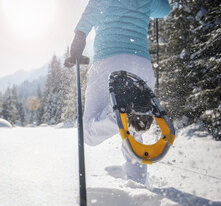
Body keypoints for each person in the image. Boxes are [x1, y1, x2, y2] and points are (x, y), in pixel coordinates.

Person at [67, 0, 170, 184]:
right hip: (142, 66)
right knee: (134, 132)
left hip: (109, 62)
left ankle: (119, 114)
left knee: (88, 135)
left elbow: (92, 10)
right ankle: (137, 184)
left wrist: (79, 36)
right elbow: (164, 9)